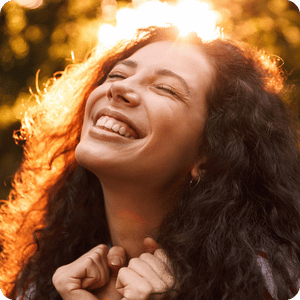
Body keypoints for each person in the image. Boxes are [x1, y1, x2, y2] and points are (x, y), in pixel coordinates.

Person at [1, 22, 300, 300]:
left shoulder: (272, 282)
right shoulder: (40, 284)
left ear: (211, 152)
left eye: (165, 88)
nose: (119, 89)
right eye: (117, 75)